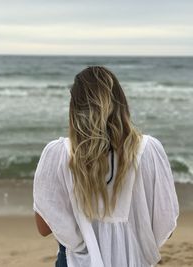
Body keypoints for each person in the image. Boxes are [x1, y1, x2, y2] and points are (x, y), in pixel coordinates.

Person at [33, 66, 179, 267]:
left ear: (75, 108)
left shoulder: (58, 153)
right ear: (121, 103)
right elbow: (166, 226)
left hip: (76, 261)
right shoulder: (149, 150)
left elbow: (44, 227)